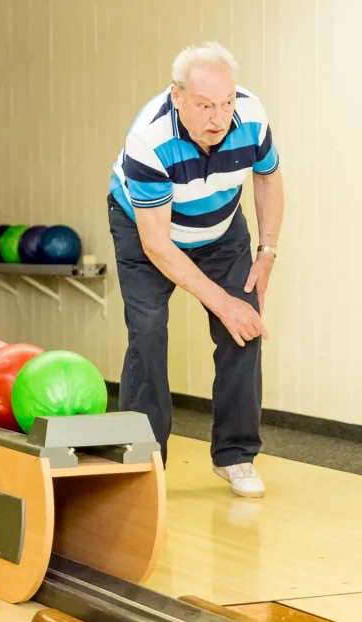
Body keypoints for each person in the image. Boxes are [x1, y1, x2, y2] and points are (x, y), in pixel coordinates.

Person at [107, 42, 283, 497]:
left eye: (226, 103)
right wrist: (221, 301)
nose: (219, 117)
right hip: (147, 232)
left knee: (244, 327)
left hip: (222, 229)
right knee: (147, 335)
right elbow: (158, 245)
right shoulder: (148, 141)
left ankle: (236, 455)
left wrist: (267, 251)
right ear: (177, 95)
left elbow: (267, 176)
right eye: (205, 105)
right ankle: (145, 463)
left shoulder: (252, 116)